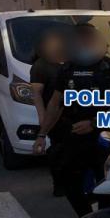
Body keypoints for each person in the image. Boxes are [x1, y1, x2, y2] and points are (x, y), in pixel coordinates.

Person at [40, 23, 110, 217]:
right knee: (69, 181)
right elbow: (55, 104)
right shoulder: (67, 70)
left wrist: (93, 123)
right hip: (74, 135)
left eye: (88, 39)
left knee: (105, 181)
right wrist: (42, 134)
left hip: (104, 134)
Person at [29, 29, 69, 196]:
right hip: (54, 117)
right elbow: (36, 94)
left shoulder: (71, 62)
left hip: (74, 115)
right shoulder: (41, 66)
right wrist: (42, 118)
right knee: (58, 152)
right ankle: (59, 185)